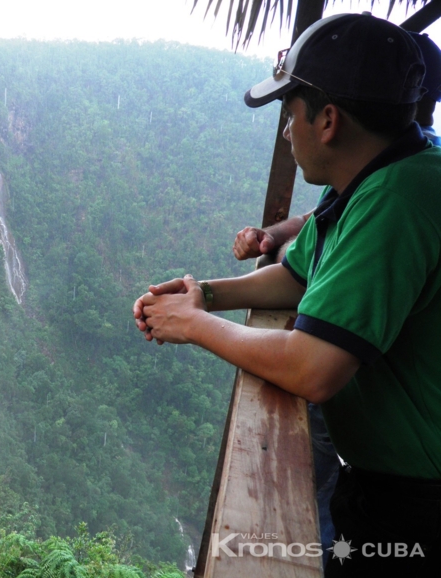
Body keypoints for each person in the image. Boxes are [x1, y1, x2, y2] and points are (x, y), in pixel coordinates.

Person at [133, 13, 441, 577]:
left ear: (327, 120)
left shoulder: (398, 200)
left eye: (288, 111)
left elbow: (312, 369)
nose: (284, 130)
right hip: (390, 484)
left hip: (418, 507)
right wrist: (202, 293)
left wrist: (194, 325)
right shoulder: (372, 179)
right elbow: (296, 276)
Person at [233, 31, 441, 263]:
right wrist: (272, 235)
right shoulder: (397, 157)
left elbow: (321, 259)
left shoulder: (395, 179)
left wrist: (280, 251)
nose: (287, 133)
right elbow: (316, 217)